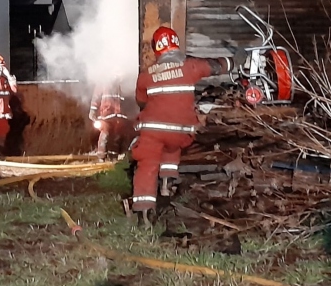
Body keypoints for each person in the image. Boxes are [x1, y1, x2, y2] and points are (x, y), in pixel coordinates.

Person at [131, 26, 246, 225]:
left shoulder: (146, 75)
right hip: (181, 132)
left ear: (156, 49)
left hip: (153, 132)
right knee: (172, 147)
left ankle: (144, 213)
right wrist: (237, 60)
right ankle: (167, 186)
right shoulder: (190, 66)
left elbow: (141, 101)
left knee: (147, 163)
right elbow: (216, 66)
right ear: (176, 44)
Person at [89, 79, 127, 162]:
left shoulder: (121, 82)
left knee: (116, 137)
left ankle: (113, 158)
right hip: (107, 113)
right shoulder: (103, 80)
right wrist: (93, 110)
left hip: (118, 115)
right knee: (105, 134)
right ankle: (101, 158)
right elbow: (96, 96)